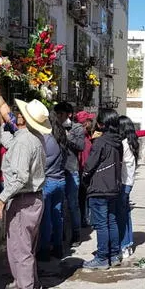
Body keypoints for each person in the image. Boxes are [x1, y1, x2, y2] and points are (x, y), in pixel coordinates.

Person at [0, 84, 50, 289]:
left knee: (20, 249)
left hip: (24, 200)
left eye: (19, 113)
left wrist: (1, 199)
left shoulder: (25, 142)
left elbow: (19, 177)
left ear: (24, 120)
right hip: (31, 200)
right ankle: (28, 286)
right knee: (25, 247)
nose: (15, 113)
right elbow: (8, 139)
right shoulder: (29, 138)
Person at [82, 109, 123, 270]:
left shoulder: (100, 142)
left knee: (101, 224)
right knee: (111, 221)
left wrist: (85, 177)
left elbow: (89, 165)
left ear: (101, 124)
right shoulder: (117, 141)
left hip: (99, 187)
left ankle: (102, 257)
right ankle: (114, 253)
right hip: (113, 187)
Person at [37, 112, 67, 262]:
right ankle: (58, 247)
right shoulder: (56, 139)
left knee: (46, 218)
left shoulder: (44, 140)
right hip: (59, 180)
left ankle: (44, 250)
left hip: (48, 182)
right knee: (57, 215)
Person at [54, 102, 85, 247]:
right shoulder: (53, 128)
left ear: (69, 115)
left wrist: (66, 137)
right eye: (57, 114)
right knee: (60, 205)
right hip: (57, 170)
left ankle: (76, 234)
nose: (59, 117)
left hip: (71, 169)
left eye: (61, 114)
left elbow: (80, 146)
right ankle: (60, 234)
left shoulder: (77, 128)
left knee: (73, 204)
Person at [118, 116, 139, 259]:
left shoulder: (123, 145)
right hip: (128, 182)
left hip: (123, 183)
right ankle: (128, 243)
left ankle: (124, 245)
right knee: (126, 214)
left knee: (121, 216)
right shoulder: (132, 143)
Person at [75, 110, 96, 228]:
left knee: (86, 197)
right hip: (83, 171)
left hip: (86, 170)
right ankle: (85, 218)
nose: (91, 122)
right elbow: (83, 157)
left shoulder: (88, 135)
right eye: (89, 120)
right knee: (84, 197)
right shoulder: (81, 137)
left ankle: (87, 218)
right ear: (84, 122)